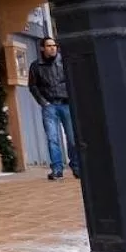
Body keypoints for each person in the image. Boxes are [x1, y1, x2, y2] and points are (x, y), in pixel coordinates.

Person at [28, 37, 80, 180]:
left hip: (66, 104)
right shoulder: (36, 66)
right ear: (42, 48)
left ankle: (76, 166)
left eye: (54, 45)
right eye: (49, 46)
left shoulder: (64, 62)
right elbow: (33, 86)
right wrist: (43, 102)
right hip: (49, 106)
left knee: (72, 138)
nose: (52, 48)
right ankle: (57, 169)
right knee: (53, 138)